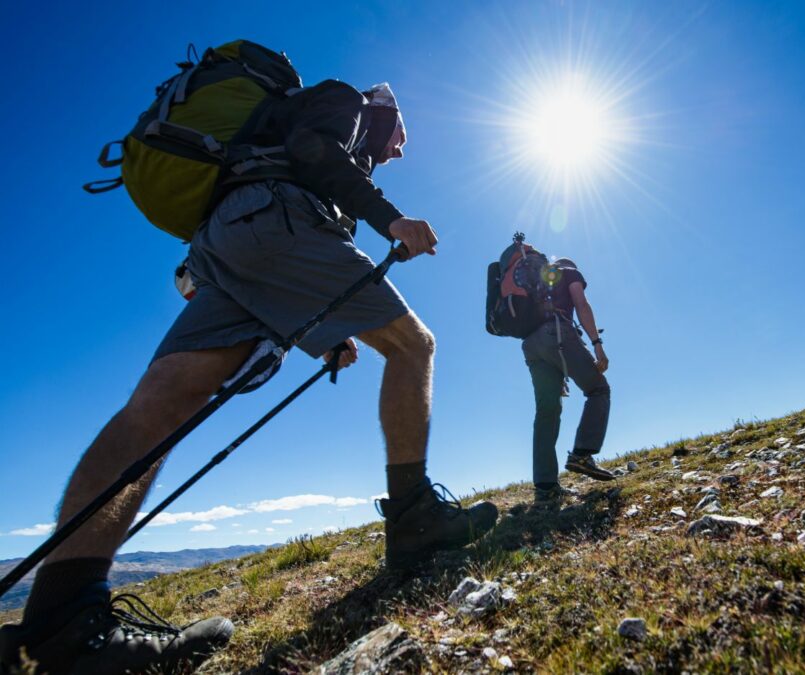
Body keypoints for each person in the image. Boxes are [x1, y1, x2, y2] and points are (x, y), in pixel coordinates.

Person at [0, 74, 497, 674]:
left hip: (228, 239)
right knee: (413, 345)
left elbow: (285, 252)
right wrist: (389, 219)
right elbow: (314, 150)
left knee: (157, 408)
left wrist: (325, 339)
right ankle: (415, 517)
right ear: (386, 112)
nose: (400, 149)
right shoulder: (351, 102)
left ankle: (62, 622)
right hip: (277, 217)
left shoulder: (276, 129)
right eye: (402, 135)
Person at [517, 247, 614, 505]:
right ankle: (582, 454)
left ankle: (545, 488)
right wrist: (597, 343)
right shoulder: (569, 272)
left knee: (546, 412)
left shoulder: (535, 281)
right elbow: (581, 305)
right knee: (598, 389)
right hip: (557, 334)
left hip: (531, 346)